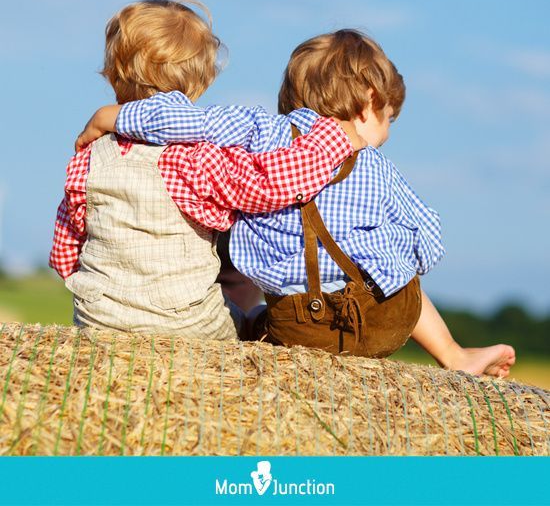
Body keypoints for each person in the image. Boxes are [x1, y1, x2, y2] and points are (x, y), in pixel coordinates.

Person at [78, 27, 516, 378]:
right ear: (369, 105)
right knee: (401, 270)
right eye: (389, 120)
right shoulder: (377, 167)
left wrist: (110, 116)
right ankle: (454, 355)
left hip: (298, 329)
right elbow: (429, 239)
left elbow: (183, 119)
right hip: (383, 320)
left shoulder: (258, 131)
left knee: (252, 318)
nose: (387, 132)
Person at [50, 0, 366, 338]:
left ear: (112, 76)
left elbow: (64, 249)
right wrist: (333, 141)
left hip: (100, 318)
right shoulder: (196, 158)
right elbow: (268, 184)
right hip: (186, 322)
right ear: (199, 84)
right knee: (252, 321)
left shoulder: (89, 157)